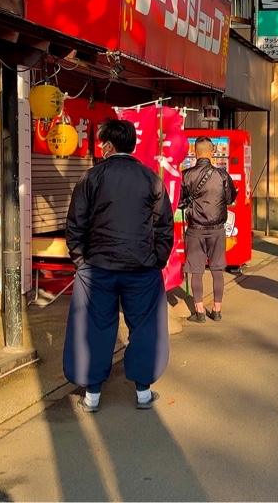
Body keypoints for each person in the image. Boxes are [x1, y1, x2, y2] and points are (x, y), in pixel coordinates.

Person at [63, 119, 175, 412]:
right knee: (145, 327)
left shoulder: (91, 177)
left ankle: (93, 396)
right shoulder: (151, 178)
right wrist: (157, 261)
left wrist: (80, 260)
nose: (100, 147)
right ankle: (142, 393)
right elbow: (164, 226)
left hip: (97, 268)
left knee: (94, 327)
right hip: (142, 269)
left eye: (102, 143)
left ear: (109, 145)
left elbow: (76, 223)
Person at [179, 137, 237, 323]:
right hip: (217, 229)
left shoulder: (186, 175)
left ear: (194, 152)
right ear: (212, 152)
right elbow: (229, 199)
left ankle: (199, 312)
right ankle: (217, 310)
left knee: (196, 271)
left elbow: (179, 202)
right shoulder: (222, 175)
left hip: (195, 229)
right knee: (217, 269)